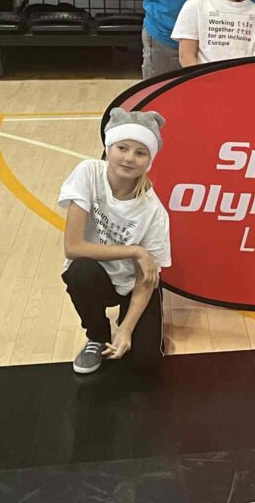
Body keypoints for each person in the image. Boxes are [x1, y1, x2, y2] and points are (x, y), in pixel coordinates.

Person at [59, 108, 171, 374]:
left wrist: (126, 330)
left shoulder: (154, 212)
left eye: (140, 153)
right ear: (109, 147)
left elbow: (145, 278)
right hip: (97, 276)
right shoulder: (88, 173)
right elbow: (73, 247)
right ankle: (96, 336)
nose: (129, 158)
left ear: (149, 160)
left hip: (134, 284)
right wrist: (135, 251)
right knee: (80, 271)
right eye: (122, 148)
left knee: (145, 361)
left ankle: (133, 320)